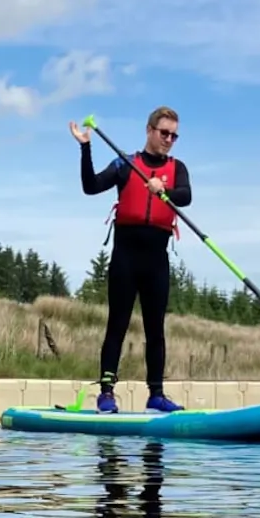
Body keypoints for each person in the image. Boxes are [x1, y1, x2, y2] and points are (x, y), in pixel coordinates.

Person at [70, 106, 191, 414]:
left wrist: (162, 188)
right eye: (164, 133)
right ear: (149, 130)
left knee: (156, 329)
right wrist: (86, 148)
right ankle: (107, 393)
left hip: (157, 261)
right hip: (125, 257)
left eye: (174, 136)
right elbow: (90, 187)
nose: (168, 140)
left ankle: (157, 394)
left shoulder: (178, 169)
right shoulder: (125, 165)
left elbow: (185, 196)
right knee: (117, 325)